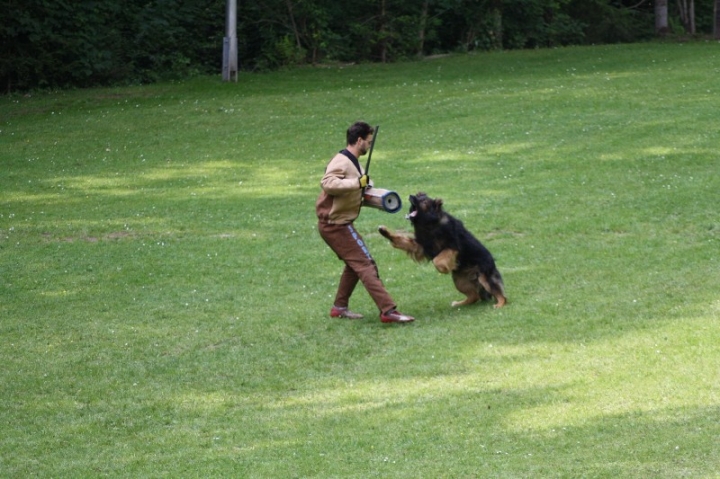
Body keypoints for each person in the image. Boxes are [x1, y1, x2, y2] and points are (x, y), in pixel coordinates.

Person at [316, 121, 415, 324]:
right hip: (335, 225)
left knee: (354, 265)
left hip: (340, 223)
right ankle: (388, 311)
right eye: (368, 142)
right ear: (359, 140)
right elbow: (328, 183)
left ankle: (339, 308)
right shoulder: (341, 161)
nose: (369, 145)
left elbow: (357, 189)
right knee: (366, 264)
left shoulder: (355, 162)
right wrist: (356, 183)